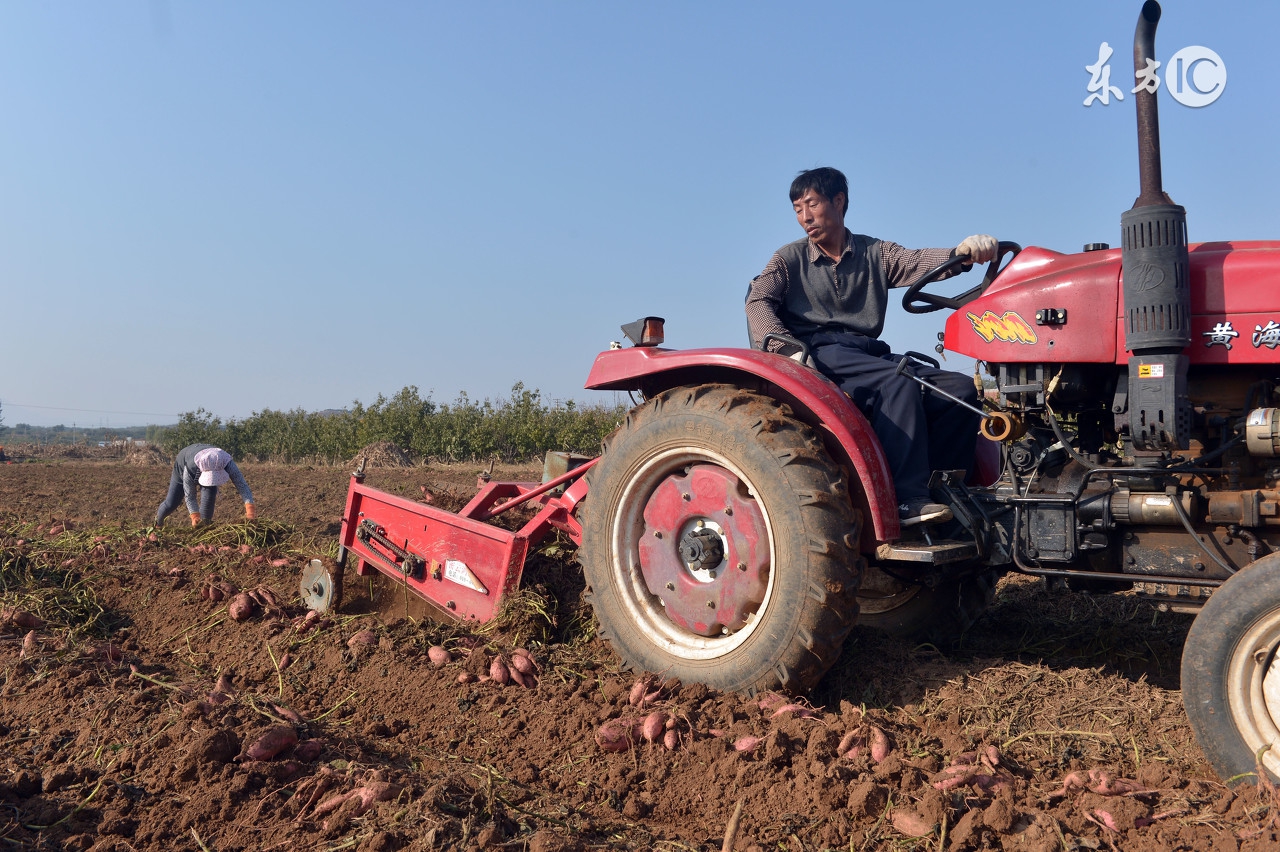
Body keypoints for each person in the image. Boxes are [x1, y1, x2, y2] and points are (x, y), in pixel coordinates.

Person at [745, 167, 996, 527]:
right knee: (899, 382)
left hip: (865, 352)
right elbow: (758, 301)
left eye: (811, 204)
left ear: (839, 201)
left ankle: (946, 490)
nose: (804, 217)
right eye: (797, 209)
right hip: (819, 352)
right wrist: (785, 349)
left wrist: (963, 253)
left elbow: (915, 261)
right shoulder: (788, 259)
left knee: (958, 389)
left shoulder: (874, 253)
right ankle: (909, 500)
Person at [156, 443, 256, 527]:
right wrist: (194, 516)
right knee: (171, 503)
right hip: (183, 464)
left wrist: (250, 511)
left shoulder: (226, 462)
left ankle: (204, 527)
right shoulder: (190, 468)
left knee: (209, 496)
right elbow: (190, 496)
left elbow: (242, 485)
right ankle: (158, 525)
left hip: (207, 459)